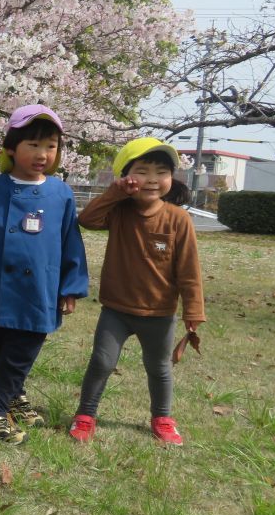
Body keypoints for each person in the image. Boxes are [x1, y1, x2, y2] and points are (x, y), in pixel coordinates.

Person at [0, 104, 88, 444]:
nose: (42, 154)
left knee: (26, 343)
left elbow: (71, 241)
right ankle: (13, 394)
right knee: (5, 344)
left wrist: (71, 285)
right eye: (32, 145)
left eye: (50, 146)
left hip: (39, 286)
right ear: (11, 149)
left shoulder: (60, 193)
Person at [69, 138, 202, 446]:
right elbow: (86, 219)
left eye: (161, 172)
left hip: (160, 314)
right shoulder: (119, 211)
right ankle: (86, 415)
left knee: (159, 368)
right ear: (126, 176)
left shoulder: (178, 219)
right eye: (142, 171)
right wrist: (115, 192)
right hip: (116, 310)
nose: (152, 179)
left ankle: (162, 418)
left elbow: (190, 271)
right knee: (102, 362)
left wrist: (193, 311)